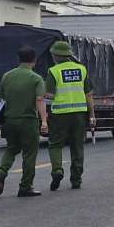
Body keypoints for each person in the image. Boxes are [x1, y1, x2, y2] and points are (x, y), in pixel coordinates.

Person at [0, 46, 48, 197]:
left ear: (19, 59)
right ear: (34, 61)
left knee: (11, 148)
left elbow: (2, 99)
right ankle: (25, 186)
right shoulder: (36, 78)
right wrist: (44, 121)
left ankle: (1, 172)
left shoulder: (7, 76)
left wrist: (0, 120)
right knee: (29, 153)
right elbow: (39, 99)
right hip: (28, 120)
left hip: (10, 119)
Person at [45, 41, 95, 191]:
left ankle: (57, 170)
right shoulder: (82, 69)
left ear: (57, 56)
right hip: (79, 114)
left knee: (55, 144)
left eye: (53, 54)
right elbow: (89, 94)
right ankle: (76, 179)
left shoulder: (53, 71)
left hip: (60, 114)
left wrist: (41, 91)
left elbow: (50, 95)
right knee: (77, 146)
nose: (52, 56)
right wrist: (92, 114)